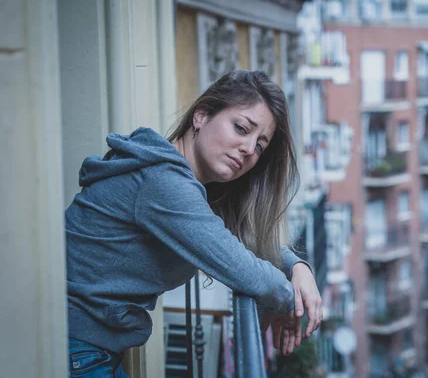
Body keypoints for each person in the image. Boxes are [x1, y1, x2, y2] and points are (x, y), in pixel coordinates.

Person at [65, 70, 323, 377]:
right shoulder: (165, 184)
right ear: (200, 116)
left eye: (259, 146)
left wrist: (296, 266)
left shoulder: (174, 178)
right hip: (78, 347)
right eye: (241, 128)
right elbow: (248, 272)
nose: (248, 148)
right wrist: (287, 302)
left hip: (88, 344)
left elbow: (237, 242)